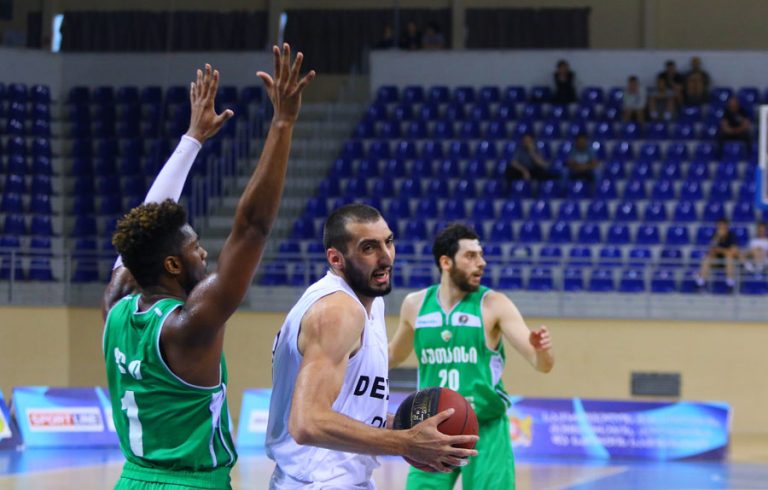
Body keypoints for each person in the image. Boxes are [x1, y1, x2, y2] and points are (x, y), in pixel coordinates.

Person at [102, 44, 315, 490]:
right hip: (191, 484)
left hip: (131, 479)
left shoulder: (115, 308)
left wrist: (192, 140)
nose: (204, 254)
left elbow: (142, 225)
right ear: (172, 263)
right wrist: (282, 122)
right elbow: (252, 228)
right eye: (195, 247)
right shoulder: (189, 325)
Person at [266, 204, 478, 488]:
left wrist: (404, 426)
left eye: (388, 242)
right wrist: (405, 443)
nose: (386, 256)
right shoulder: (338, 311)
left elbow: (348, 407)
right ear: (336, 258)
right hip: (317, 481)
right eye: (369, 248)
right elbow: (307, 423)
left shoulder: (370, 303)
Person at [389, 223, 555, 489]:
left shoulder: (494, 304)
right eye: (470, 256)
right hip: (431, 429)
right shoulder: (415, 305)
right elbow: (393, 356)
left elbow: (542, 365)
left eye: (481, 255)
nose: (481, 263)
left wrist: (542, 350)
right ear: (446, 262)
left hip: (485, 426)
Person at [696, 218, 739, 288]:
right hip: (717, 261)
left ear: (727, 226)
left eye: (723, 226)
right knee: (707, 258)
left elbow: (733, 251)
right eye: (719, 226)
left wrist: (719, 250)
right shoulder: (715, 236)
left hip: (729, 261)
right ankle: (700, 282)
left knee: (729, 257)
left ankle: (730, 283)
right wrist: (718, 238)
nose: (721, 228)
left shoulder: (732, 236)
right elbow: (711, 250)